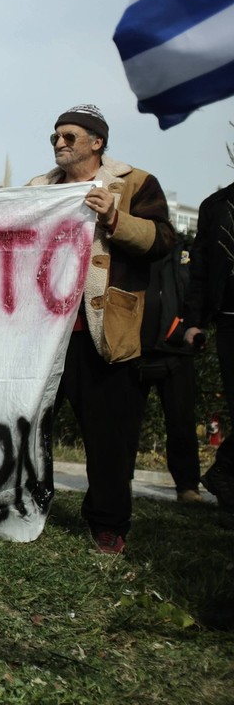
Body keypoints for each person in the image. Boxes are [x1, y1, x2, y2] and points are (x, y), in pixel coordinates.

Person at [27, 105, 174, 554]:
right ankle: (30, 504)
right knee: (33, 427)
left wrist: (113, 217)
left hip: (102, 329)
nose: (59, 144)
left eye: (70, 136)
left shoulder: (135, 183)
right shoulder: (36, 190)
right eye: (55, 136)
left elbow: (163, 241)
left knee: (109, 432)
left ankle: (108, 522)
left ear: (97, 142)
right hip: (44, 331)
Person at [136, 239, 203, 503]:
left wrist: (194, 325)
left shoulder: (186, 251)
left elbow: (197, 291)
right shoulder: (134, 247)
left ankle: (187, 487)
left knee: (182, 423)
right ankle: (118, 482)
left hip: (177, 351)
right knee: (124, 424)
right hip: (135, 349)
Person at [184, 179, 234, 529]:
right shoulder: (217, 205)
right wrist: (194, 322)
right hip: (230, 320)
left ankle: (223, 471)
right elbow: (199, 271)